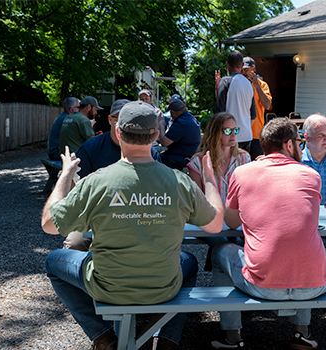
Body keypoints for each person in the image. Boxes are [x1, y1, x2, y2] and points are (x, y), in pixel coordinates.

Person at [42, 101, 225, 350]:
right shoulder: (179, 182)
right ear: (157, 135)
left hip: (108, 287)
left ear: (118, 132)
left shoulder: (96, 182)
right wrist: (210, 180)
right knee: (189, 262)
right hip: (163, 287)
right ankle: (168, 341)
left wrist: (64, 175)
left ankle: (104, 337)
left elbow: (49, 224)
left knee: (53, 262)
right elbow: (215, 226)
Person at [210, 117, 326, 349]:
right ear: (288, 145)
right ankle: (301, 332)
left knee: (219, 252)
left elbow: (232, 223)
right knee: (303, 250)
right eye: (298, 143)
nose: (300, 148)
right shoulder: (311, 175)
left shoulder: (243, 173)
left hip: (262, 285)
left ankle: (232, 335)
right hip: (314, 285)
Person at [63, 99, 161, 252]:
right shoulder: (90, 148)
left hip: (136, 217)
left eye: (128, 119)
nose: (123, 123)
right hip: (94, 216)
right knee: (74, 244)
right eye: (118, 118)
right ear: (110, 120)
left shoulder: (148, 152)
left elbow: (157, 192)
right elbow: (76, 192)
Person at [187, 112, 251, 270]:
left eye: (235, 130)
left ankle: (219, 266)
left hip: (236, 219)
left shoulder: (244, 160)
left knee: (238, 238)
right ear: (215, 133)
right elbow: (197, 201)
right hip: (208, 218)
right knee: (230, 241)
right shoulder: (199, 161)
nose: (233, 135)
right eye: (227, 131)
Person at [215, 51, 257, 153]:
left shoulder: (225, 81)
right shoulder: (249, 84)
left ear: (227, 64)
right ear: (242, 65)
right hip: (246, 135)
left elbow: (219, 112)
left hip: (229, 136)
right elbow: (253, 115)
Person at [241, 57, 272, 160]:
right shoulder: (238, 84)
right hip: (240, 133)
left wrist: (256, 86)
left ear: (253, 69)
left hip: (256, 134)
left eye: (246, 69)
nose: (243, 72)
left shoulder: (263, 85)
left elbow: (267, 105)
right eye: (241, 70)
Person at [159, 99, 201, 170]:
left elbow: (164, 142)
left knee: (155, 160)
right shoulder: (189, 118)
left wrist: (161, 126)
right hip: (190, 156)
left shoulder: (181, 123)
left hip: (182, 158)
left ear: (173, 112)